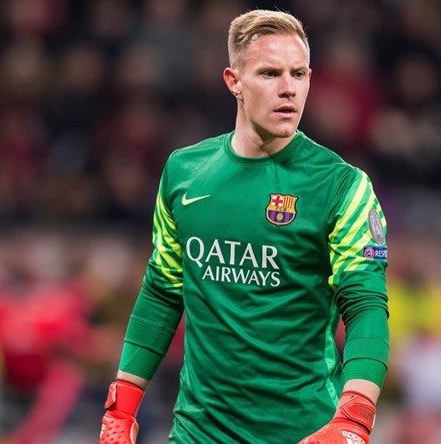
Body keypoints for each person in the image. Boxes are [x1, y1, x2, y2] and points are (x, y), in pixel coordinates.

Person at [99, 9, 390, 444]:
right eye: (270, 73)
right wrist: (121, 408)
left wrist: (355, 418)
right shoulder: (184, 174)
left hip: (304, 434)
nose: (288, 88)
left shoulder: (342, 186)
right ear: (234, 81)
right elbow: (162, 292)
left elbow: (366, 306)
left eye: (299, 74)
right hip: (197, 433)